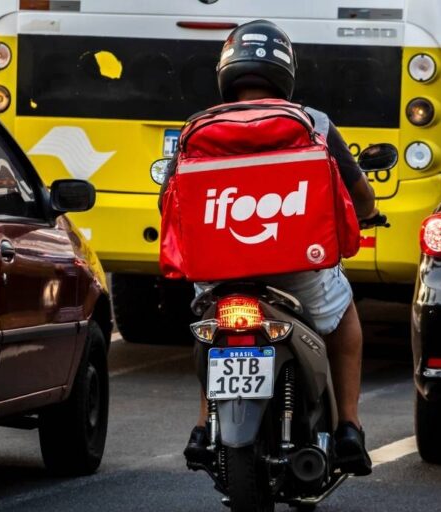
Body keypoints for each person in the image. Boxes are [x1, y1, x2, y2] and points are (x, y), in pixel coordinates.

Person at [159, 19, 379, 476]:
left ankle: (202, 427)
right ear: (285, 71)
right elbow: (361, 198)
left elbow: (168, 202)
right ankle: (350, 430)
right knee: (346, 320)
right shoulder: (314, 122)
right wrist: (363, 215)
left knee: (210, 330)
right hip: (298, 272)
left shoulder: (195, 128)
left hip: (219, 274)